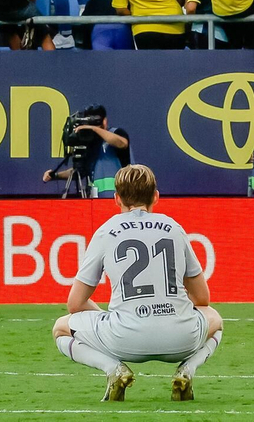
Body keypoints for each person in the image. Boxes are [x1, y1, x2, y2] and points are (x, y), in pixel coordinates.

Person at [53, 163, 222, 401]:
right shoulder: (174, 228)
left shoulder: (105, 231)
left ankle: (114, 370)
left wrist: (112, 317)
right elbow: (202, 299)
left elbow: (75, 304)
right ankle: (187, 370)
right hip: (181, 339)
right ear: (156, 196)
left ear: (116, 198)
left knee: (61, 327)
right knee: (214, 317)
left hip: (124, 338)